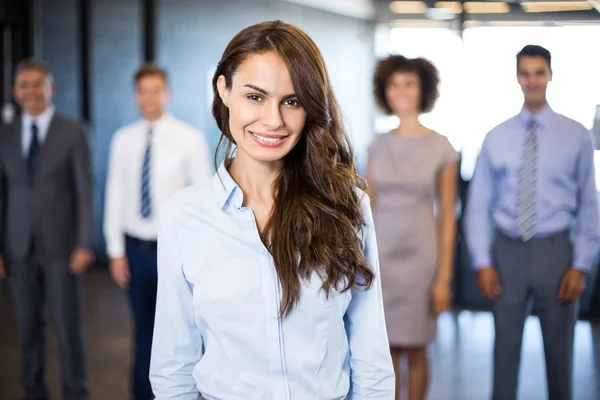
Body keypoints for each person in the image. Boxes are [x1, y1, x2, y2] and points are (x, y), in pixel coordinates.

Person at [149, 20, 395, 399]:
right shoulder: (185, 217)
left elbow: (371, 356)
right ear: (224, 89)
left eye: (292, 101)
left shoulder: (347, 205)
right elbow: (173, 368)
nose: (273, 120)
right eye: (255, 97)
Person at [465, 44, 600, 400]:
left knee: (560, 353)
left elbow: (589, 203)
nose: (532, 80)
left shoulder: (576, 135)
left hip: (556, 249)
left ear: (550, 75)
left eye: (539, 72)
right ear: (517, 77)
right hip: (507, 250)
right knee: (504, 350)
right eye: (525, 73)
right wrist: (482, 261)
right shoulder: (496, 137)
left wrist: (581, 265)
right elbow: (478, 204)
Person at [103, 62, 211, 400]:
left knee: (181, 330)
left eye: (156, 90)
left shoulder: (189, 138)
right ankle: (142, 394)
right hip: (135, 250)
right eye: (143, 91)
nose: (149, 98)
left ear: (168, 93)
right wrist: (115, 250)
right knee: (143, 330)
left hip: (174, 250)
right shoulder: (123, 139)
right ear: (136, 95)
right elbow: (115, 193)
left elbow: (204, 198)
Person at [366, 55, 459, 400]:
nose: (401, 91)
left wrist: (444, 278)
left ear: (424, 90)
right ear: (384, 91)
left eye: (409, 83)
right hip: (381, 261)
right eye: (393, 84)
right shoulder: (377, 145)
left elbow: (448, 215)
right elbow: (366, 208)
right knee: (384, 351)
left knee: (417, 350)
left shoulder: (442, 147)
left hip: (421, 262)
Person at [0, 58, 93, 400]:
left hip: (62, 247)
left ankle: (76, 392)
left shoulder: (73, 130)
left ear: (50, 88)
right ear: (15, 91)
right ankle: (33, 391)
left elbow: (85, 191)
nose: (31, 91)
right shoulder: (5, 134)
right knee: (27, 329)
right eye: (24, 84)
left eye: (38, 84)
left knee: (68, 329)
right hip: (17, 246)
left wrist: (84, 243)